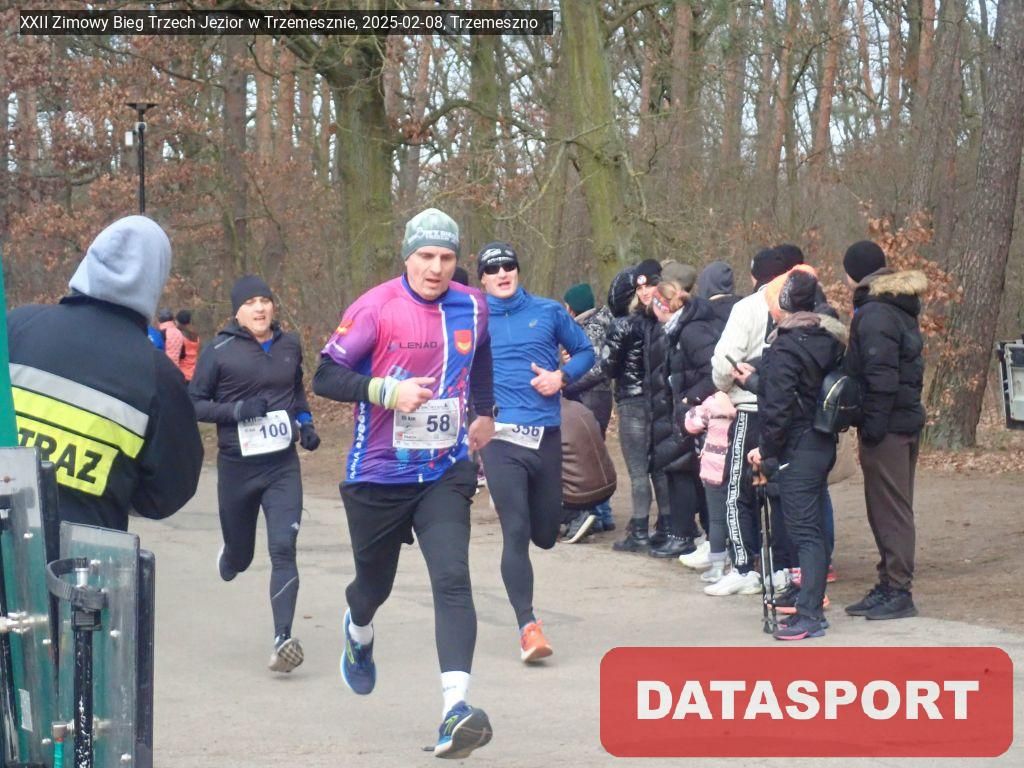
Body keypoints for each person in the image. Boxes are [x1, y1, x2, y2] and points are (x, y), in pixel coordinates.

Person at [313, 208, 496, 759]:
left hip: (444, 469)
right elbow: (325, 376)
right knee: (374, 587)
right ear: (408, 256)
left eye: (447, 257)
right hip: (378, 473)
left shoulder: (473, 305)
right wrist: (387, 392)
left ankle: (454, 710)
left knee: (453, 579)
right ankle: (358, 630)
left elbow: (481, 354)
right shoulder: (375, 307)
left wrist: (485, 411)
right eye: (426, 256)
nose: (436, 268)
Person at [7, 215, 202, 530]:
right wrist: (118, 486)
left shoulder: (17, 326)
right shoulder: (158, 377)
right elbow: (169, 491)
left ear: (90, 260)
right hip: (86, 554)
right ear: (154, 280)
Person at [189, 275, 321, 674]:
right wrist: (236, 411)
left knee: (283, 547)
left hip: (282, 466)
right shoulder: (218, 351)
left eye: (265, 300)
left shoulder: (289, 344)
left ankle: (283, 639)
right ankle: (232, 555)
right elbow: (193, 403)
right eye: (250, 303)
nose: (260, 308)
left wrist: (306, 423)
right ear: (237, 312)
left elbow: (296, 391)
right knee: (243, 556)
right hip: (238, 468)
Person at [477, 241, 594, 660]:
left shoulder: (548, 312)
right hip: (499, 438)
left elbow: (586, 351)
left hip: (544, 435)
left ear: (517, 271)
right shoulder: (474, 317)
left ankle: (527, 509)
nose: (502, 274)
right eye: (493, 269)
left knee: (544, 534)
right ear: (483, 279)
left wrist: (561, 377)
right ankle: (528, 626)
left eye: (508, 266)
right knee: (515, 530)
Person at [747, 269, 846, 640]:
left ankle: (810, 614)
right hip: (821, 441)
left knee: (805, 532)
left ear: (785, 304)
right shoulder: (828, 338)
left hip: (797, 446)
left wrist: (765, 450)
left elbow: (778, 406)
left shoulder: (787, 346)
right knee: (812, 529)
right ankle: (809, 605)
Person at [841, 240, 926, 621]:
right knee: (888, 508)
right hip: (901, 419)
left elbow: (881, 377)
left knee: (890, 510)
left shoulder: (875, 312)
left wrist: (872, 426)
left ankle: (898, 590)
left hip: (889, 425)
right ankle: (889, 583)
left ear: (854, 272)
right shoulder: (894, 306)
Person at [706, 247, 797, 596]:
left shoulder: (748, 308)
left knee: (738, 491)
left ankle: (744, 566)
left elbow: (723, 362)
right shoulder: (805, 306)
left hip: (750, 408)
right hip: (786, 413)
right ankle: (781, 568)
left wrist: (725, 386)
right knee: (777, 491)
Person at [602, 259, 671, 553]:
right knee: (659, 467)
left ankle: (640, 530)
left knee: (640, 469)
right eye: (639, 287)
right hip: (659, 401)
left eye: (648, 285)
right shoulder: (664, 322)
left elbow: (607, 366)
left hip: (633, 401)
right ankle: (667, 526)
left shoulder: (625, 325)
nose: (643, 292)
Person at [562, 281, 615, 536]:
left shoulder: (589, 329)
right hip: (600, 395)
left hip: (590, 395)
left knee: (588, 455)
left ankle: (597, 514)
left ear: (573, 307)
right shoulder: (601, 324)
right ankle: (603, 513)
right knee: (596, 452)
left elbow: (592, 367)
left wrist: (565, 383)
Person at [176, 309, 200, 382]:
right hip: (193, 374)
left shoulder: (179, 336)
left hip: (182, 373)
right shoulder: (195, 335)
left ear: (178, 321)